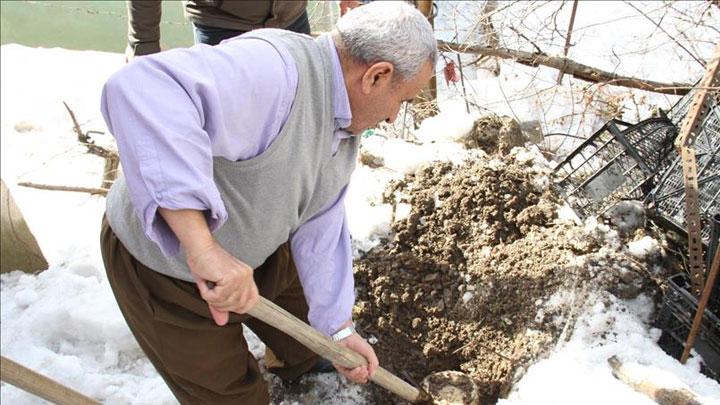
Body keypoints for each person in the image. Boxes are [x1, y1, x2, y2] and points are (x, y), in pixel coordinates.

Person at [100, 1, 436, 403]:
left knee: (310, 344)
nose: (393, 117)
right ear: (376, 76)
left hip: (258, 243)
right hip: (166, 269)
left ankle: (299, 358)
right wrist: (203, 247)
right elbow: (141, 87)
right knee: (233, 397)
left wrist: (339, 328)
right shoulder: (273, 72)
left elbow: (322, 221)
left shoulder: (346, 117)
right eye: (404, 100)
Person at [126, 0, 362, 60]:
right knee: (225, 125)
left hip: (292, 18)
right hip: (222, 25)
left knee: (295, 113)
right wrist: (143, 44)